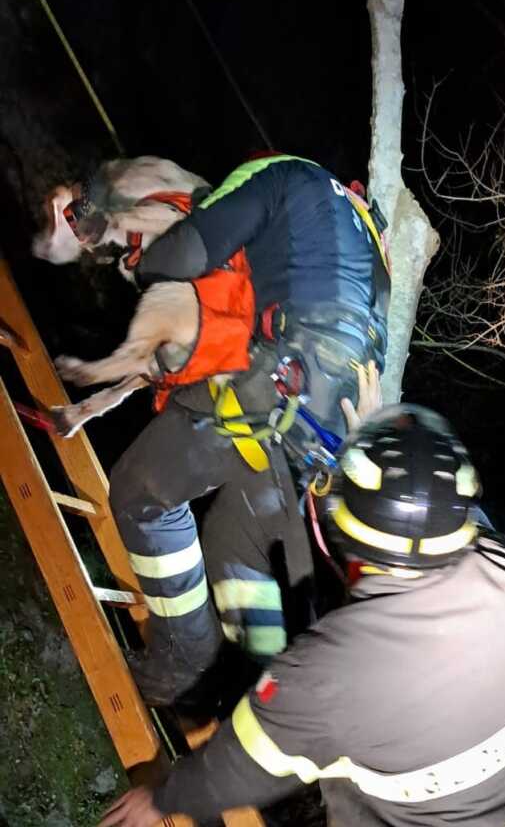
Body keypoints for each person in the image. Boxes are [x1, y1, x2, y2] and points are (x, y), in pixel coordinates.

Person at [100, 405, 505, 827]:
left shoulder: (331, 669)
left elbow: (242, 765)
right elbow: (462, 523)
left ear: (346, 525)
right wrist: (399, 455)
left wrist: (160, 797)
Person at [110, 152, 390, 705]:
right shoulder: (372, 248)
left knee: (142, 494)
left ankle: (183, 658)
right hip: (335, 431)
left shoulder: (284, 177)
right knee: (239, 545)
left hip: (276, 388)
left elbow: (191, 248)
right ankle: (255, 701)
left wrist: (143, 262)